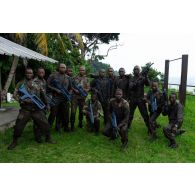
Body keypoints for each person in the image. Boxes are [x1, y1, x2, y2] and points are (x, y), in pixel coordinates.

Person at [8, 68, 55, 150]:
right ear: (25, 74)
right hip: (25, 109)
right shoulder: (20, 83)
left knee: (45, 123)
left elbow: (43, 94)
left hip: (36, 109)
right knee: (18, 126)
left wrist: (47, 104)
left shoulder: (37, 83)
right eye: (27, 73)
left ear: (33, 74)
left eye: (30, 73)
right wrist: (21, 100)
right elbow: (15, 95)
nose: (29, 74)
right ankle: (14, 141)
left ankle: (48, 137)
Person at [128, 65, 153, 137]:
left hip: (140, 99)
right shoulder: (132, 78)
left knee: (145, 115)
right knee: (130, 114)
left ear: (139, 70)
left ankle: (149, 129)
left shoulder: (142, 77)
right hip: (133, 99)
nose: (136, 70)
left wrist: (146, 76)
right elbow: (131, 87)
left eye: (137, 69)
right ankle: (127, 126)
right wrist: (138, 80)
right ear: (133, 70)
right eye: (135, 69)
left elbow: (148, 84)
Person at [47, 63, 72, 132]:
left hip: (64, 98)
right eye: (61, 67)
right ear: (59, 68)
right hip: (56, 97)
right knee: (53, 113)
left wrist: (69, 93)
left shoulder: (68, 78)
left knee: (65, 113)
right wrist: (55, 90)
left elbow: (70, 88)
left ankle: (61, 127)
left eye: (64, 67)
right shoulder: (53, 76)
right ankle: (47, 128)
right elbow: (48, 85)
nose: (63, 69)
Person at [70, 66, 90, 130]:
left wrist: (84, 90)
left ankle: (80, 123)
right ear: (79, 70)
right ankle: (72, 125)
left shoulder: (86, 79)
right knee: (73, 111)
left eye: (83, 70)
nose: (82, 71)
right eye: (81, 70)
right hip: (75, 97)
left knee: (81, 111)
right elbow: (71, 86)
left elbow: (88, 88)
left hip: (82, 97)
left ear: (85, 71)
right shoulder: (74, 78)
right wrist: (75, 90)